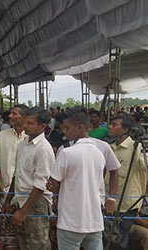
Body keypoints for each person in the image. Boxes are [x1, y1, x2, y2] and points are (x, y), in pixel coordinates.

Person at [47, 107, 106, 250]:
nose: (64, 131)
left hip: (70, 221)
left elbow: (52, 185)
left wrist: (51, 185)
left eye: (67, 127)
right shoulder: (99, 153)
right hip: (94, 221)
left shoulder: (67, 153)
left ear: (80, 128)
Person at [2, 107, 55, 250]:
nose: (25, 126)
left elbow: (40, 185)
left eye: (30, 123)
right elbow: (17, 174)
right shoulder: (23, 143)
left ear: (42, 126)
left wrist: (24, 211)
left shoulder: (43, 149)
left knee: (38, 243)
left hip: (36, 203)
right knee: (23, 242)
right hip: (20, 200)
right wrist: (8, 199)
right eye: (26, 122)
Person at [107, 114, 146, 249]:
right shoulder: (109, 147)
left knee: (120, 238)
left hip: (127, 205)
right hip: (109, 202)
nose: (110, 127)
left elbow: (145, 165)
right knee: (109, 238)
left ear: (124, 130)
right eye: (110, 124)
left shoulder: (136, 148)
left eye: (114, 125)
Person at [0, 104, 28, 206]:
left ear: (24, 117)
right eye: (10, 113)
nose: (10, 116)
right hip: (4, 190)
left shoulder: (30, 138)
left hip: (25, 193)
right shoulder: (2, 136)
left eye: (14, 114)